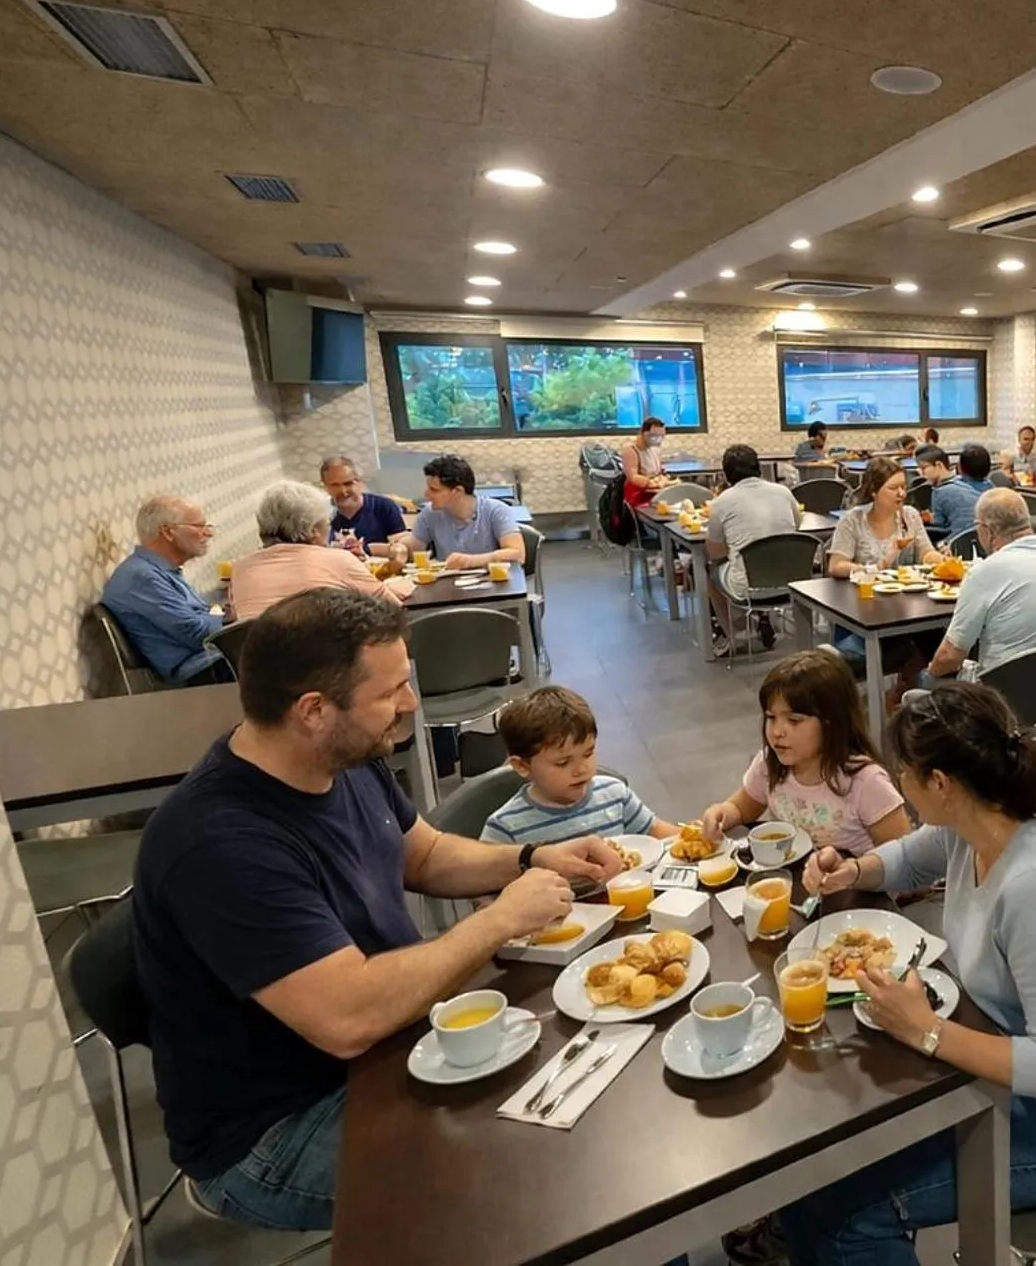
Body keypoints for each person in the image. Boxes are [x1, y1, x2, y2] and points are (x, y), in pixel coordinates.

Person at [131, 590, 621, 1231]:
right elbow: (350, 1016)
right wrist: (499, 919)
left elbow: (424, 856)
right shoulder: (221, 843)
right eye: (392, 692)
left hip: (385, 1044)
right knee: (536, 1166)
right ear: (313, 710)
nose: (412, 705)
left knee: (584, 1076)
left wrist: (533, 858)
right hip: (278, 1131)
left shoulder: (341, 757)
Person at [781, 684, 1036, 1265]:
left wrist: (923, 1029)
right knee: (821, 1167)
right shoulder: (982, 820)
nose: (897, 784)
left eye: (903, 773)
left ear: (940, 784)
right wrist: (853, 870)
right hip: (1006, 1048)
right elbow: (912, 856)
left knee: (842, 1215)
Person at [697, 650, 909, 856]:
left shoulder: (865, 781)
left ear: (831, 723)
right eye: (771, 717)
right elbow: (740, 808)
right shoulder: (769, 764)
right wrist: (721, 813)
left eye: (794, 720)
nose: (777, 732)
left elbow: (905, 861)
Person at [924, 490, 1036, 711]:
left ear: (988, 531)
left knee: (927, 681)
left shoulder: (985, 572)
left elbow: (949, 656)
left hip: (1009, 705)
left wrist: (929, 673)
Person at [479, 685, 676, 844]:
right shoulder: (505, 828)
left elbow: (661, 834)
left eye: (588, 753)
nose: (582, 769)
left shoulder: (615, 795)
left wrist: (698, 835)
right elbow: (486, 889)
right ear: (522, 766)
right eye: (563, 762)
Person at [826, 457, 944, 683]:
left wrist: (939, 560)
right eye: (893, 488)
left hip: (907, 605)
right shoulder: (853, 521)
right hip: (866, 607)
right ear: (873, 491)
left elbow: (926, 552)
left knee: (937, 637)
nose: (901, 493)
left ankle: (912, 690)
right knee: (916, 644)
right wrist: (875, 568)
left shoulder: (909, 515)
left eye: (903, 487)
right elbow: (836, 565)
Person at [230, 481, 413, 621]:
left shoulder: (239, 570)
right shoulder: (338, 559)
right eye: (326, 523)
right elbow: (392, 610)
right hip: (331, 664)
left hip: (263, 667)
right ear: (313, 530)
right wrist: (386, 590)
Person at [100, 495, 228, 685]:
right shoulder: (141, 577)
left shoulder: (160, 571)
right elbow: (197, 634)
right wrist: (223, 617)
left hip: (209, 660)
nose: (208, 533)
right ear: (168, 532)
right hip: (200, 672)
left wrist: (217, 614)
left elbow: (201, 614)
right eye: (199, 526)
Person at [706, 443, 801, 658]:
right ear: (758, 466)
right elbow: (797, 524)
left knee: (712, 576)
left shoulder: (722, 502)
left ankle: (731, 636)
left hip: (749, 585)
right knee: (758, 562)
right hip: (793, 579)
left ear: (726, 474)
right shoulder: (783, 492)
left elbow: (714, 552)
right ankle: (764, 618)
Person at [399, 454, 524, 570]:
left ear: (458, 491)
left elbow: (518, 553)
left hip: (492, 583)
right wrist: (399, 548)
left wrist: (472, 561)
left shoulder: (496, 511)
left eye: (434, 490)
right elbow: (414, 550)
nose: (426, 494)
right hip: (448, 586)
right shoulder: (429, 514)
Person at [320, 456, 408, 561]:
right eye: (335, 485)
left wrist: (368, 549)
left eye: (348, 483)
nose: (343, 491)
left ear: (360, 482)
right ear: (325, 487)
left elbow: (401, 549)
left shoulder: (384, 506)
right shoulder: (320, 514)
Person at [932, 444, 993, 537]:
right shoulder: (996, 492)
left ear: (959, 467)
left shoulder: (942, 491)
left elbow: (938, 526)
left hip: (954, 545)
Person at [619, 416, 672, 511]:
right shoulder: (631, 451)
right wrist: (650, 483)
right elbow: (633, 477)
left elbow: (659, 472)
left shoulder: (654, 450)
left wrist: (664, 479)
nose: (658, 439)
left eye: (661, 436)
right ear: (644, 433)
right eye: (654, 435)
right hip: (637, 496)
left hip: (655, 494)